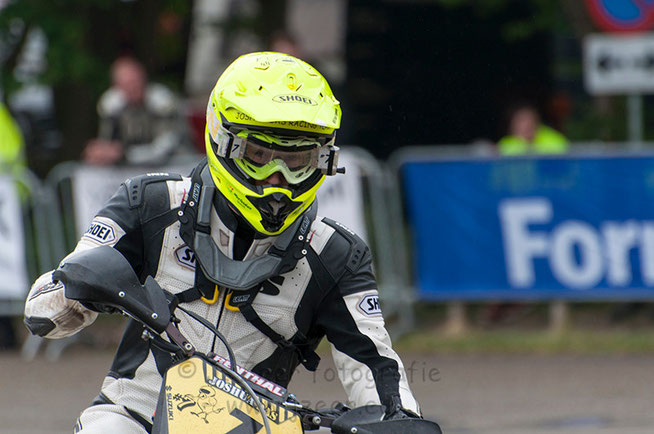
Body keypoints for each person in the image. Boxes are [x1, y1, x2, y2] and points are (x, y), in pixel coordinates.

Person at [24, 52, 421, 432]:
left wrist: (401, 419)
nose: (277, 177)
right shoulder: (150, 204)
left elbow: (375, 364)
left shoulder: (336, 254)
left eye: (296, 160)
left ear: (323, 159)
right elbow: (46, 307)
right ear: (223, 140)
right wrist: (77, 291)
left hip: (256, 423)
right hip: (135, 413)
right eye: (260, 154)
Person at [83, 56, 188, 166]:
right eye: (126, 84)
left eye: (135, 81)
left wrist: (124, 155)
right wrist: (100, 153)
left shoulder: (163, 104)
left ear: (144, 79)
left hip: (174, 166)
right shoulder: (111, 108)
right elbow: (107, 144)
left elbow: (165, 149)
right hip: (129, 168)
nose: (132, 88)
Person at [497, 103, 568, 155]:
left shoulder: (554, 139)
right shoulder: (506, 143)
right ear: (513, 127)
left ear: (537, 123)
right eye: (520, 122)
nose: (526, 126)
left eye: (529, 122)